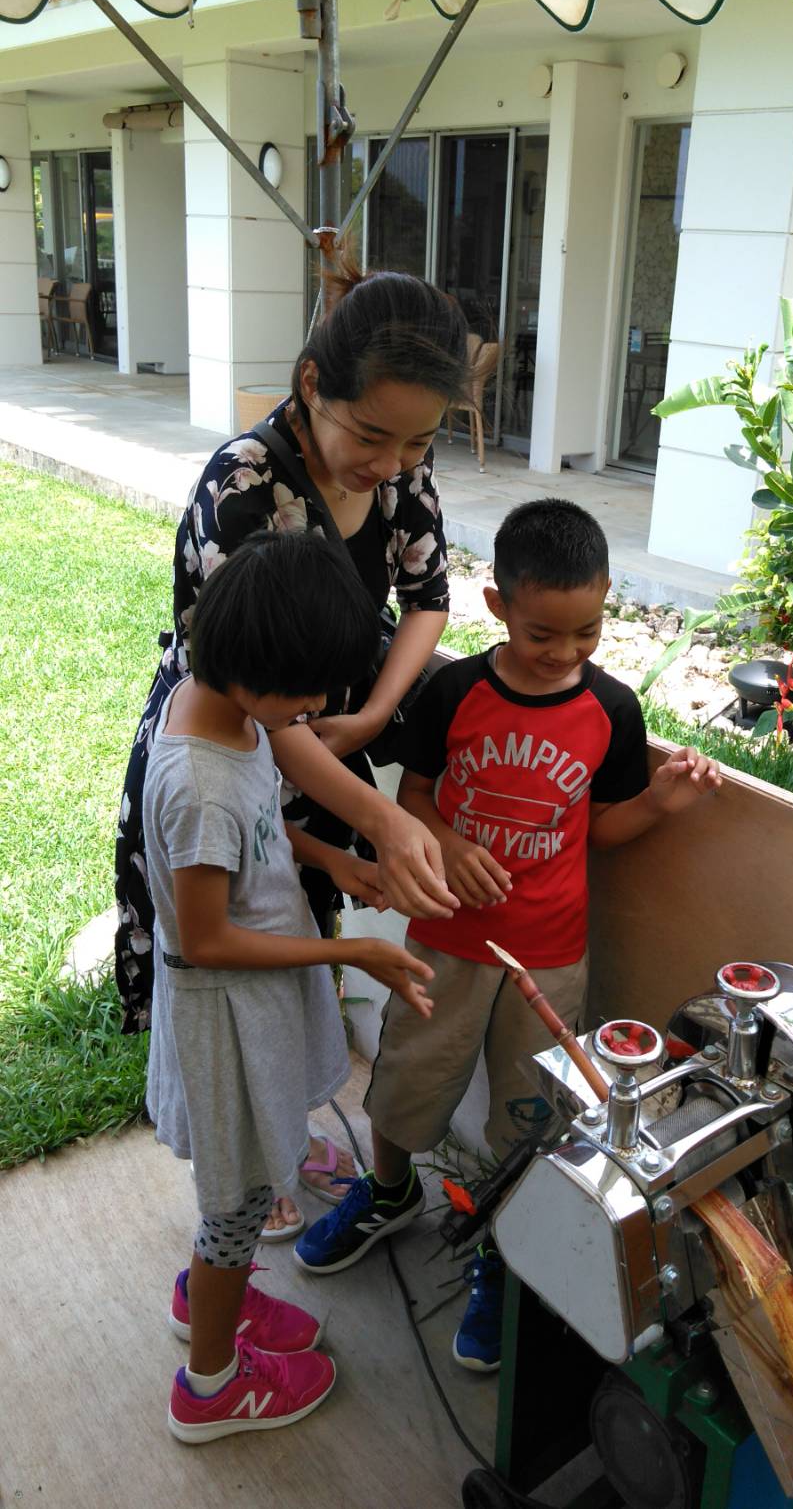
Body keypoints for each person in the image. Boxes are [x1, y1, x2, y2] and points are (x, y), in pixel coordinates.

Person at [294, 499, 722, 1373]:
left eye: (589, 630)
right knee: (410, 1074)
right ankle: (388, 1191)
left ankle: (499, 1246)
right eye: (542, 634)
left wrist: (661, 803)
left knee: (533, 1113)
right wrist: (450, 845)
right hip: (447, 938)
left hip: (553, 952)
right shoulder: (452, 692)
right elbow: (411, 801)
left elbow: (600, 827)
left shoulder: (613, 708)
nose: (566, 652)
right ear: (497, 606)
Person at [116, 260, 468, 1235]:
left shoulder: (397, 468)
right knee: (247, 948)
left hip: (315, 738)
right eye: (371, 434)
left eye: (418, 440)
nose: (394, 462)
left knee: (301, 950)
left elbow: (428, 598)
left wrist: (361, 721)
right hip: (250, 738)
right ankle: (248, 1158)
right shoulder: (245, 483)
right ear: (314, 383)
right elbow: (264, 709)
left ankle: (276, 1121)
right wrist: (381, 810)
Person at [145, 530, 435, 1443]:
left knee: (236, 1192)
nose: (317, 708)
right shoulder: (198, 785)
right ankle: (211, 1386)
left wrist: (331, 861)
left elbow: (263, 826)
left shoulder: (229, 715)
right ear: (255, 666)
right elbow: (206, 937)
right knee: (235, 1203)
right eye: (307, 691)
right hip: (223, 1017)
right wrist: (352, 958)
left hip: (251, 1001)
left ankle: (208, 1299)